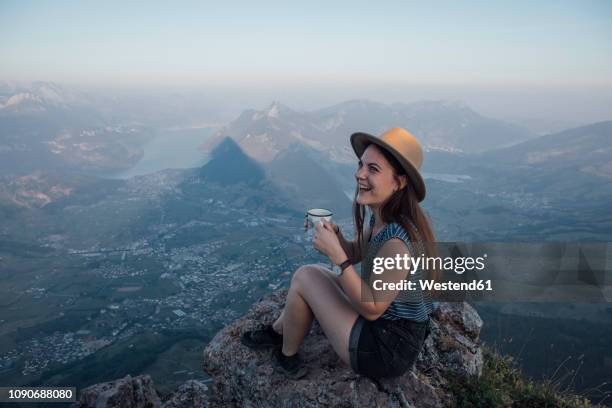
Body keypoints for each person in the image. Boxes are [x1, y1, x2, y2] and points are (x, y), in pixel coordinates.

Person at [241, 127, 437, 380]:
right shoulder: (382, 218)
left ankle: (285, 353)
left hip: (385, 350)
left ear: (399, 182)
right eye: (361, 165)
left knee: (305, 277)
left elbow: (373, 308)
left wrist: (339, 259)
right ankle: (279, 331)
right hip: (385, 328)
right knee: (310, 274)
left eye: (373, 169)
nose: (359, 174)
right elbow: (356, 251)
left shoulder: (397, 240)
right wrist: (335, 238)